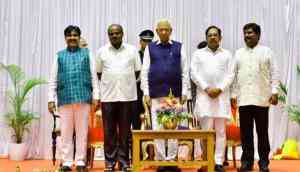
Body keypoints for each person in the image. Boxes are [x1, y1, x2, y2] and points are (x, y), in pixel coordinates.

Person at [48, 25, 100, 172]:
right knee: (66, 132)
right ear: (65, 38)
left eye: (75, 35)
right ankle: (66, 162)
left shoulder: (87, 53)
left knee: (82, 132)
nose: (72, 38)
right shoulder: (59, 55)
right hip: (65, 99)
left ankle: (81, 162)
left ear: (79, 37)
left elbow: (93, 77)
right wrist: (50, 99)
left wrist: (96, 95)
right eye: (69, 35)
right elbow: (53, 79)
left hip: (83, 98)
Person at [141, 19, 189, 172]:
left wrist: (185, 92)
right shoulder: (150, 48)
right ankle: (162, 160)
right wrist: (146, 92)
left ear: (170, 31)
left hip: (173, 95)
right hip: (156, 94)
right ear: (156, 31)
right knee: (158, 128)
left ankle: (172, 160)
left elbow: (184, 71)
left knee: (173, 127)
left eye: (166, 30)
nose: (163, 32)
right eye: (160, 30)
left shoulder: (179, 47)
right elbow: (144, 71)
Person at [231, 23, 279, 172]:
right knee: (246, 134)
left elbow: (274, 73)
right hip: (244, 99)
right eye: (245, 33)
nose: (247, 35)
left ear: (258, 35)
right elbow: (233, 76)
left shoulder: (267, 52)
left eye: (250, 33)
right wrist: (233, 95)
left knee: (262, 133)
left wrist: (275, 91)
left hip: (261, 99)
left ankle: (264, 163)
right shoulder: (238, 53)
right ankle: (247, 163)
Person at [96, 24, 141, 172]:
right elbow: (99, 74)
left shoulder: (132, 50)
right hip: (108, 97)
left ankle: (124, 162)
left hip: (127, 97)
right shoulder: (102, 52)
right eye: (111, 34)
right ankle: (110, 163)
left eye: (117, 33)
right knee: (109, 132)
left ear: (122, 34)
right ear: (108, 35)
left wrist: (124, 82)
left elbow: (137, 72)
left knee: (125, 132)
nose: (114, 36)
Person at [191, 25, 235, 172]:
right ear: (206, 37)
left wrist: (220, 88)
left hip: (221, 98)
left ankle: (217, 162)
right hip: (205, 97)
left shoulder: (227, 55)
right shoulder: (198, 54)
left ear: (220, 38)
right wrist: (206, 88)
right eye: (210, 35)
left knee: (221, 132)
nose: (212, 37)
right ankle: (206, 160)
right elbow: (194, 74)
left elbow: (231, 75)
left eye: (215, 35)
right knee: (206, 131)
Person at [132, 29, 154, 130]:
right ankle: (136, 143)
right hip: (137, 89)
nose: (147, 43)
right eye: (145, 41)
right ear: (140, 42)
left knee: (153, 116)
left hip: (152, 88)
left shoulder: (156, 55)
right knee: (135, 116)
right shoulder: (135, 55)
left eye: (149, 41)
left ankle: (153, 143)